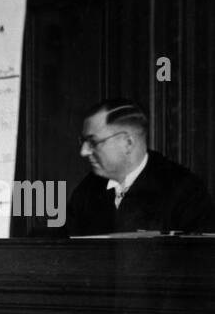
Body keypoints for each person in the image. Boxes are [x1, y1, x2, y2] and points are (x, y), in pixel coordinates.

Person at [59, 99, 215, 236]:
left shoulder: (186, 191)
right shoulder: (86, 191)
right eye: (83, 141)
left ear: (128, 143)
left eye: (93, 142)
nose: (83, 151)